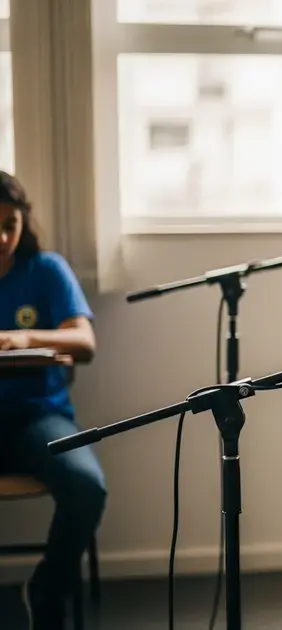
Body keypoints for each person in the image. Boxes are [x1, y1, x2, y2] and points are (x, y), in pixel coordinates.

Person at [0, 171, 106, 630]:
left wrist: (21, 339)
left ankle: (46, 590)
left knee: (86, 485)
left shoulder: (46, 269)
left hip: (36, 419)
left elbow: (83, 343)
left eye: (10, 225)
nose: (2, 237)